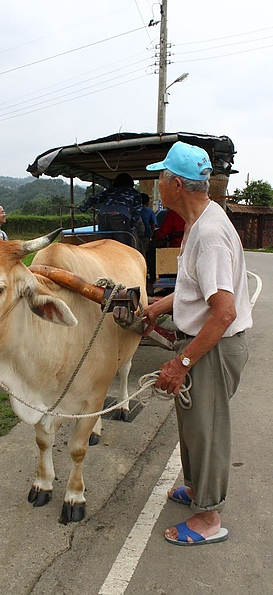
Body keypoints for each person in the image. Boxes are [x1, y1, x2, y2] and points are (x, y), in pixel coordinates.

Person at [118, 141, 252, 545]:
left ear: (175, 184)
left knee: (207, 429)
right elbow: (196, 289)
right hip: (206, 343)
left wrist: (182, 363)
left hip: (213, 346)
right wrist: (159, 306)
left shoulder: (208, 234)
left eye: (161, 176)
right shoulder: (200, 221)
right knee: (193, 425)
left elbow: (223, 311)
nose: (157, 183)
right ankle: (196, 489)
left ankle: (208, 517)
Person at [79, 173, 143, 248]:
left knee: (105, 246)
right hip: (120, 217)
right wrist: (130, 227)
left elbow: (93, 199)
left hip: (102, 217)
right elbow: (137, 212)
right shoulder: (134, 193)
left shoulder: (111, 191)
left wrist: (84, 207)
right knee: (124, 247)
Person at [146, 207, 186, 285]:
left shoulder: (174, 212)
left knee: (151, 251)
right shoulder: (199, 211)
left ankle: (153, 279)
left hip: (175, 247)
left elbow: (162, 233)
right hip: (191, 248)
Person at [137, 192, 158, 257]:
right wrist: (151, 235)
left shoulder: (134, 210)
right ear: (148, 203)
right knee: (144, 253)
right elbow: (153, 225)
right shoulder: (149, 211)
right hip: (145, 236)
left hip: (134, 235)